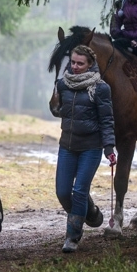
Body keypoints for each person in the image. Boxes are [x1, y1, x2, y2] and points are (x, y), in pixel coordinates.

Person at [53, 45, 117, 253]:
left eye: (80, 63)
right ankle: (91, 211)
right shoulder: (63, 84)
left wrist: (109, 147)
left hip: (90, 148)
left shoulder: (100, 88)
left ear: (90, 64)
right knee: (63, 192)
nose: (76, 66)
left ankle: (72, 237)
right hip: (67, 146)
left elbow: (107, 120)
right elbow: (59, 110)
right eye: (73, 62)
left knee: (79, 191)